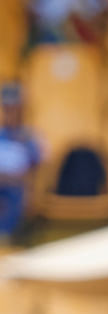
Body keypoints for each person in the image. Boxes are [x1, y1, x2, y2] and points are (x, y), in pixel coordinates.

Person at [0, 84, 42, 243]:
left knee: (17, 195)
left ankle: (9, 239)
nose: (10, 112)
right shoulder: (1, 135)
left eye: (14, 108)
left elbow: (35, 170)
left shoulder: (29, 138)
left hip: (18, 189)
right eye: (7, 108)